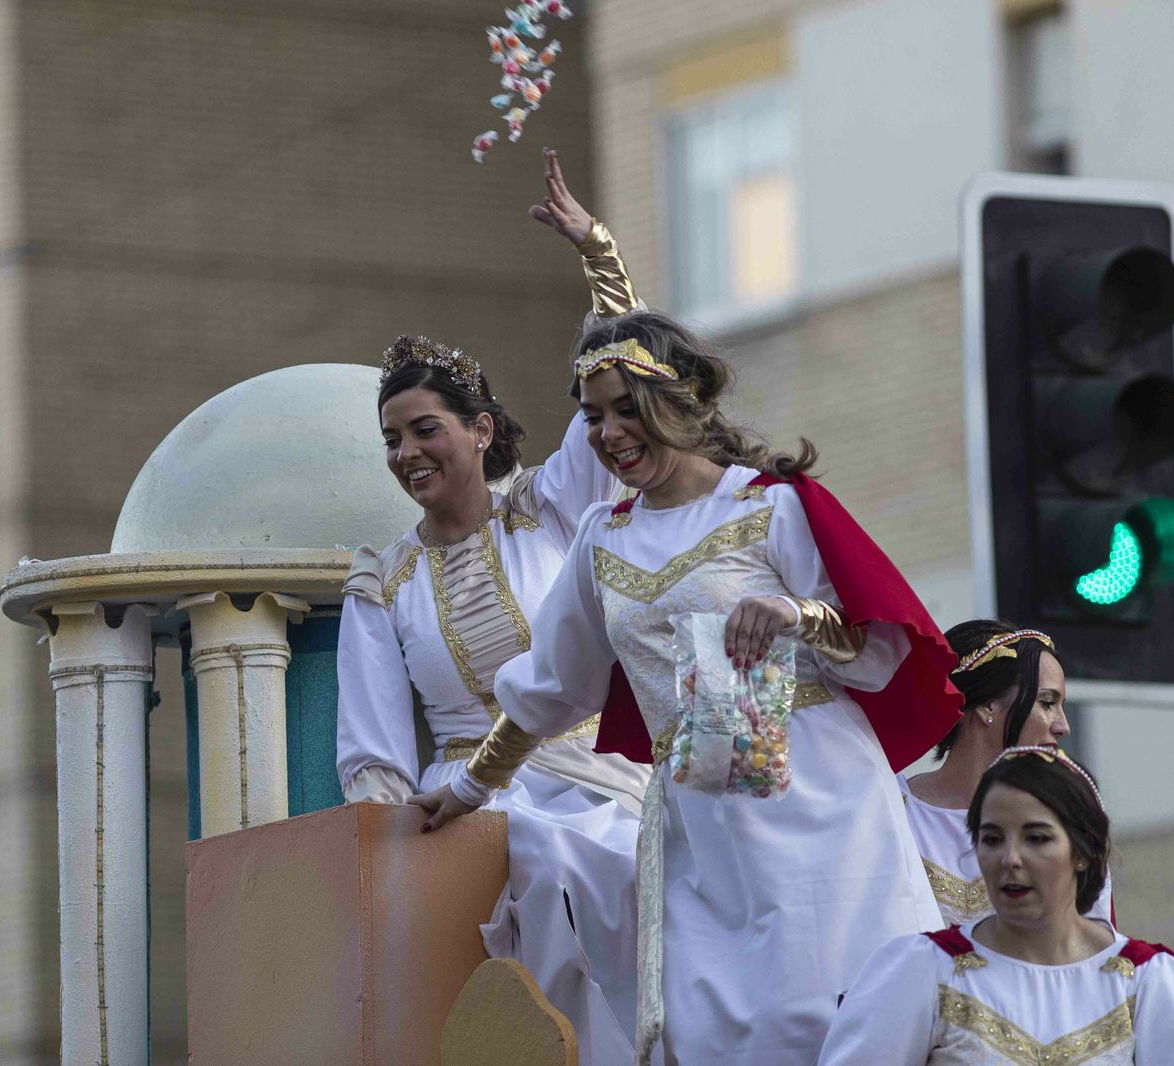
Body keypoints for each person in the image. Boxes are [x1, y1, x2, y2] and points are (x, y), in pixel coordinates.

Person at [412, 309, 962, 1065]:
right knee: (711, 1032)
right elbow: (549, 688)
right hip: (701, 828)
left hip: (826, 817)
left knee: (846, 1019)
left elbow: (874, 655)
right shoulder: (603, 536)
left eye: (626, 409)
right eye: (592, 416)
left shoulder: (769, 504)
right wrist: (470, 789)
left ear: (684, 401)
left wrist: (800, 614)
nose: (607, 433)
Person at [336, 150, 650, 1063]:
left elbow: (623, 372)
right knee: (545, 864)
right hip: (473, 808)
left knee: (665, 860)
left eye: (425, 429)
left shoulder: (551, 504)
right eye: (391, 439)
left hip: (604, 786)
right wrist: (386, 864)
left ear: (481, 429)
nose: (405, 453)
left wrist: (598, 251)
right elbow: (372, 746)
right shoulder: (381, 582)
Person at [820, 745, 1174, 1064]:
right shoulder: (923, 969)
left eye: (1036, 838)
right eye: (991, 839)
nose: (1010, 859)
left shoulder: (1148, 982)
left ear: (1084, 852)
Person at [902, 620, 1115, 927]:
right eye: (1047, 702)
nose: (1063, 726)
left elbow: (1089, 954)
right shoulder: (891, 811)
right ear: (989, 706)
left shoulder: (1068, 818)